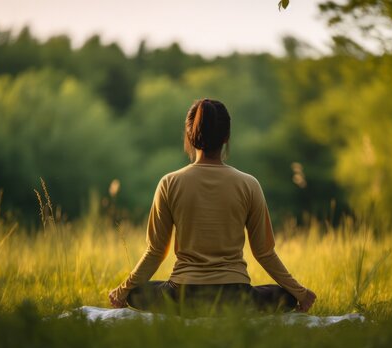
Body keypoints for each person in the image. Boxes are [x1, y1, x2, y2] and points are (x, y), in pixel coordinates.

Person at [108, 98, 316, 315]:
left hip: (182, 296)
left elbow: (156, 251)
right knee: (286, 296)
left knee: (137, 293)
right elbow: (264, 252)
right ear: (226, 137)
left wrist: (123, 291)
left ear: (190, 135)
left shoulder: (169, 183)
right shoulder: (249, 184)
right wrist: (299, 292)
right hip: (236, 297)